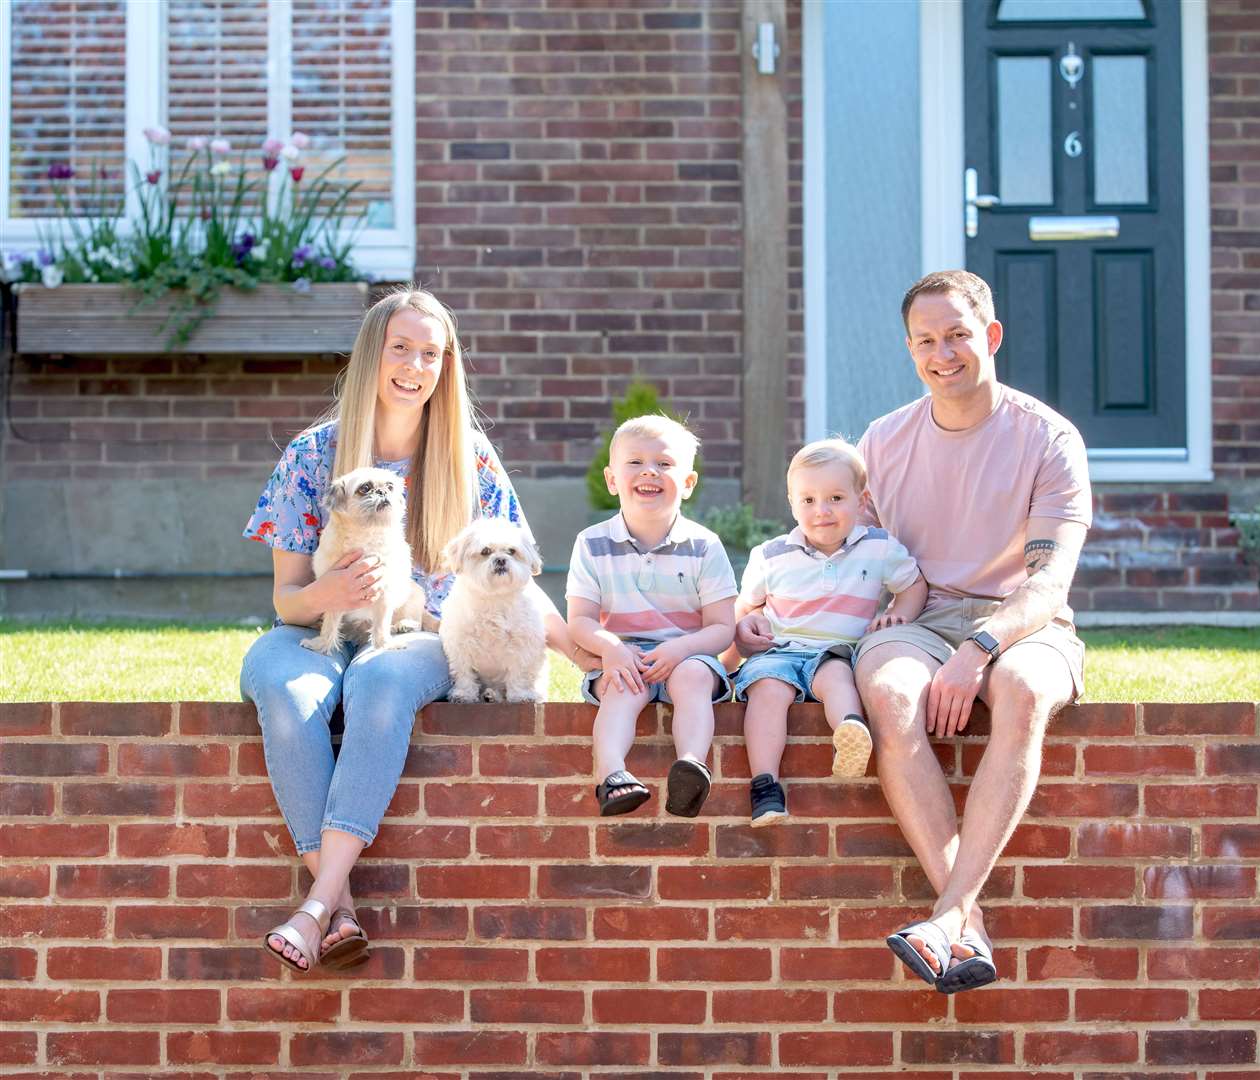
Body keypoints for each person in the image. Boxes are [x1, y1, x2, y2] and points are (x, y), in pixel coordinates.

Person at [240, 287, 579, 974]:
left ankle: (318, 907)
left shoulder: (467, 457)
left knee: (383, 681)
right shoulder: (314, 455)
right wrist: (325, 592)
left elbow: (515, 572)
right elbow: (287, 598)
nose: (415, 365)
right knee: (283, 690)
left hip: (420, 633)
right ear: (373, 354)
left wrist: (582, 644)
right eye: (401, 348)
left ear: (445, 366)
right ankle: (336, 911)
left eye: (431, 353)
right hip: (320, 626)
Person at [853, 270, 1091, 994]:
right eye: (925, 340)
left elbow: (1050, 582)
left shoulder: (1047, 437)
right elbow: (856, 566)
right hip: (917, 619)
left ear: (990, 336)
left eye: (957, 334)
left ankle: (951, 913)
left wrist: (982, 647)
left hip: (1023, 621)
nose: (943, 352)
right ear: (910, 350)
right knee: (892, 698)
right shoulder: (883, 440)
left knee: (1020, 691)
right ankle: (965, 923)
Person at [728, 439, 927, 825]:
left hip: (835, 651)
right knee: (768, 692)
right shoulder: (771, 555)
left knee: (837, 677)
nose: (821, 511)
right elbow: (746, 607)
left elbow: (913, 585)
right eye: (808, 500)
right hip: (778, 652)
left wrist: (897, 617)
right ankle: (765, 786)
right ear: (792, 504)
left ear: (861, 499)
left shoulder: (878, 547)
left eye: (835, 498)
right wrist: (742, 634)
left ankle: (851, 731)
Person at [566, 414, 737, 817]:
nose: (650, 472)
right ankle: (612, 777)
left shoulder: (704, 546)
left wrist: (682, 649)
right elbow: (580, 620)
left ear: (689, 483)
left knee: (694, 677)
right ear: (612, 480)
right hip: (626, 655)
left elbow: (722, 626)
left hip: (687, 652)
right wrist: (611, 649)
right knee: (620, 688)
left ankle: (692, 766)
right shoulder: (591, 543)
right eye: (635, 462)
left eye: (664, 464)